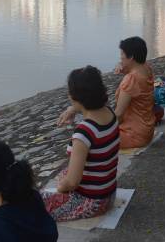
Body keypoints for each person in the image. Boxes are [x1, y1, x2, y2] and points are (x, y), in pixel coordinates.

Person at [49, 66, 119, 221]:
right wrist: (73, 109)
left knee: (35, 204)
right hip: (109, 194)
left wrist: (61, 189)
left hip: (92, 202)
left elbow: (72, 183)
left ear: (74, 96)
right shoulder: (110, 113)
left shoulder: (84, 133)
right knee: (64, 174)